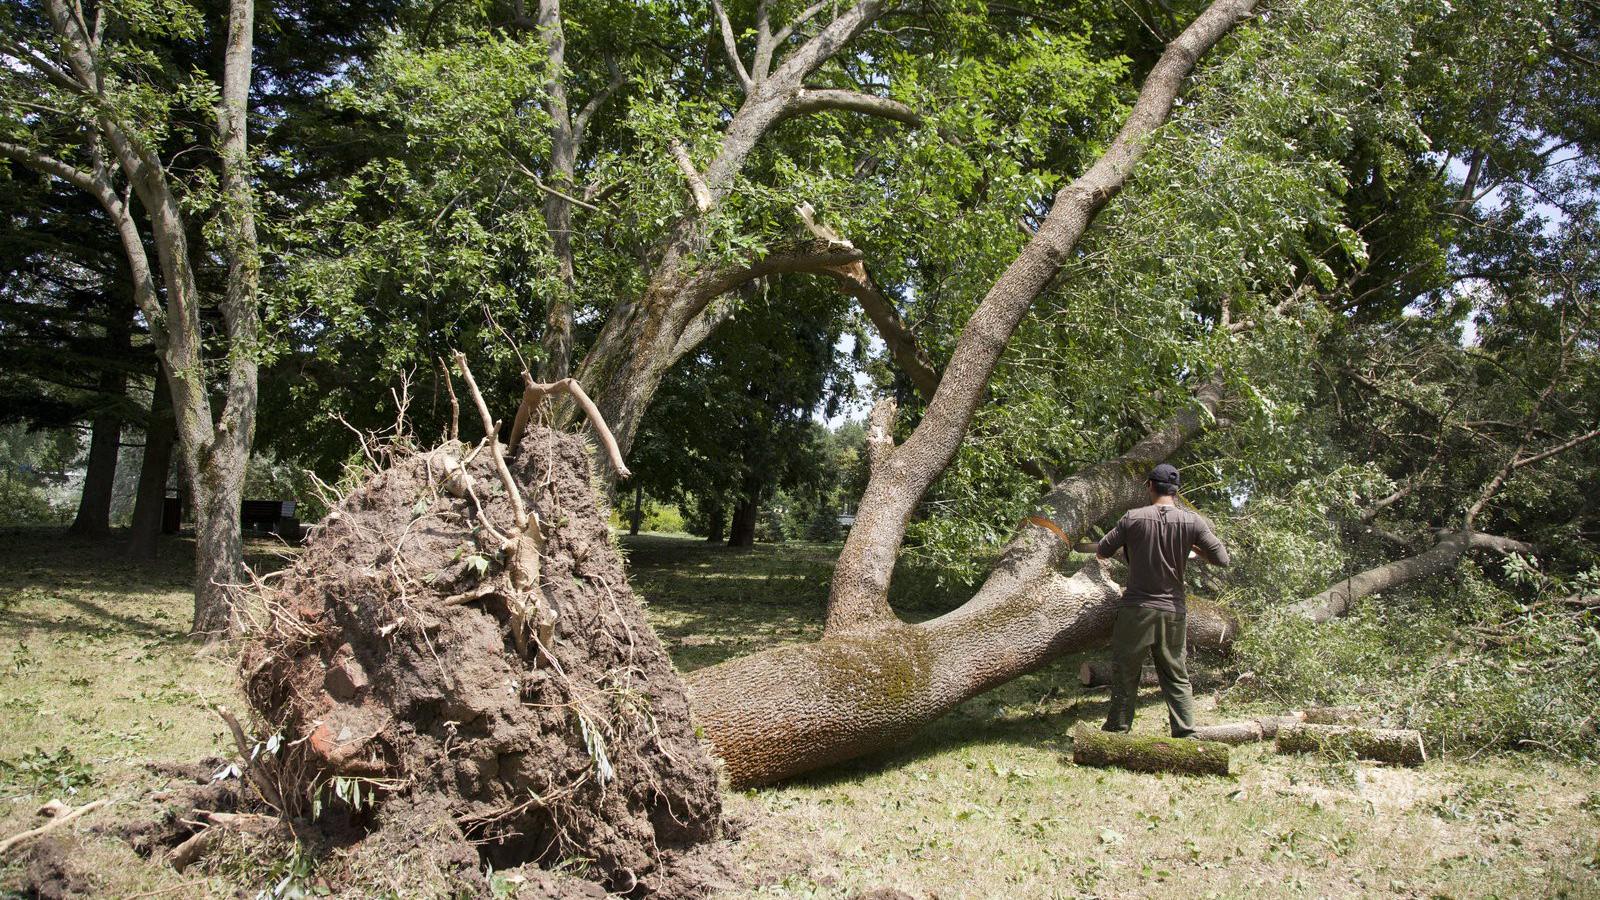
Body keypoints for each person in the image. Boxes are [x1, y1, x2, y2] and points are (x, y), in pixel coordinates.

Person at [1074, 463, 1229, 738]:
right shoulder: (1192, 521)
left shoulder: (1133, 518)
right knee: (1176, 675)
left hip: (1137, 609)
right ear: (1175, 490)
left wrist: (1131, 543)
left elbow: (1104, 551)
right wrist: (1195, 549)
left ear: (1149, 486)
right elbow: (1221, 558)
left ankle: (1117, 731)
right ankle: (1185, 733)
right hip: (1173, 612)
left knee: (1125, 672)